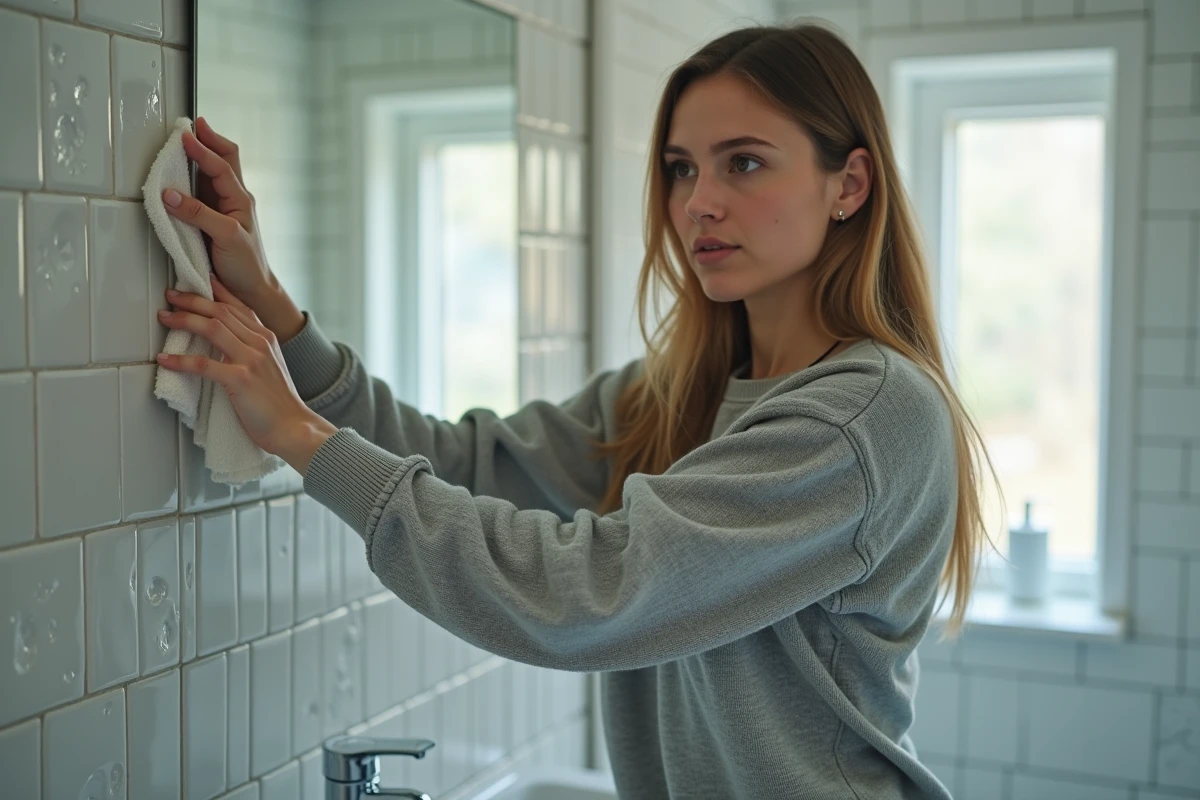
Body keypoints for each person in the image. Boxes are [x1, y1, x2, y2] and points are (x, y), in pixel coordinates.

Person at [157, 21, 1003, 800]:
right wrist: (270, 306)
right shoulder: (672, 394)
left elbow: (595, 593)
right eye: (681, 167)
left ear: (848, 184)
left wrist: (306, 441)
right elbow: (464, 464)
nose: (698, 201)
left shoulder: (866, 418)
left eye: (743, 162)